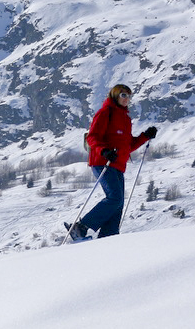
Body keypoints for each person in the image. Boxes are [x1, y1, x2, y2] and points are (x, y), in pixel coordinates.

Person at [65, 86, 155, 240]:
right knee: (115, 198)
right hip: (102, 161)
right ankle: (81, 227)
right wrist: (104, 151)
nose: (127, 99)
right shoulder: (106, 112)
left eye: (129, 96)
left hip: (118, 165)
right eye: (123, 95)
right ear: (115, 95)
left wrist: (145, 136)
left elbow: (127, 146)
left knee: (118, 203)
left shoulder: (125, 118)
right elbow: (92, 137)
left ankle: (108, 238)